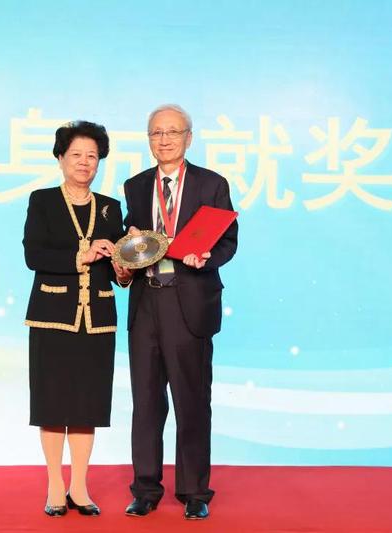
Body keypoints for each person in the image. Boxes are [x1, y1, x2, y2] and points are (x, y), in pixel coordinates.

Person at [112, 104, 238, 520]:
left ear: (189, 137)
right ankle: (145, 489)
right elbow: (132, 241)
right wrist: (127, 250)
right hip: (147, 303)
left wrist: (209, 257)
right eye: (156, 133)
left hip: (190, 303)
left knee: (192, 401)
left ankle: (195, 491)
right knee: (146, 402)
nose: (164, 139)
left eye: (172, 132)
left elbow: (228, 240)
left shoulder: (211, 184)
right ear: (148, 139)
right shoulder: (135, 186)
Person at [23, 120, 125, 517]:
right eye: (77, 155)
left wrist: (124, 267)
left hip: (97, 319)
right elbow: (34, 255)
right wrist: (81, 256)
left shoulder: (110, 207)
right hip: (52, 317)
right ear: (60, 157)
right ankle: (54, 485)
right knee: (52, 404)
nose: (85, 162)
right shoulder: (43, 201)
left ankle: (79, 487)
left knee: (87, 404)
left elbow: (117, 271)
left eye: (92, 156)